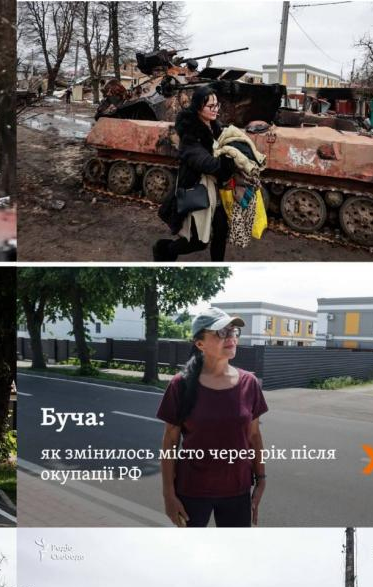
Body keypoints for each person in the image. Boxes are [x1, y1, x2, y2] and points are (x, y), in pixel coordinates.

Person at [155, 308, 267, 528]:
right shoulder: (181, 384)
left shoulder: (249, 383)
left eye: (233, 331)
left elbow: (254, 435)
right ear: (200, 344)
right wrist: (168, 494)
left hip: (237, 491)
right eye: (221, 332)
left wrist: (261, 479)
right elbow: (170, 441)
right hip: (192, 492)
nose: (231, 337)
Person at [153, 85, 235, 262]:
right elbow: (201, 160)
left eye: (217, 105)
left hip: (217, 191)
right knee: (198, 242)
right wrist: (226, 163)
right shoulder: (190, 132)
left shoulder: (215, 127)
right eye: (210, 106)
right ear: (198, 106)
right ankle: (164, 249)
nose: (215, 110)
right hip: (199, 188)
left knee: (221, 231)